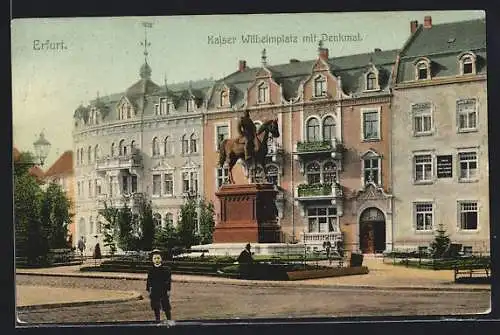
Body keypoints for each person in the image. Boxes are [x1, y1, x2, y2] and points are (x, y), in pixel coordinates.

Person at [146, 249, 173, 324]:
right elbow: (149, 280)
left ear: (161, 259)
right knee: (156, 306)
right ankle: (157, 320)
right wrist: (148, 289)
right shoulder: (151, 270)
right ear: (152, 260)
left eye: (158, 258)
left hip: (163, 289)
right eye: (155, 258)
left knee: (166, 306)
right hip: (154, 290)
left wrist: (168, 290)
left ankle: (169, 320)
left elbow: (168, 281)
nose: (157, 260)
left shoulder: (166, 269)